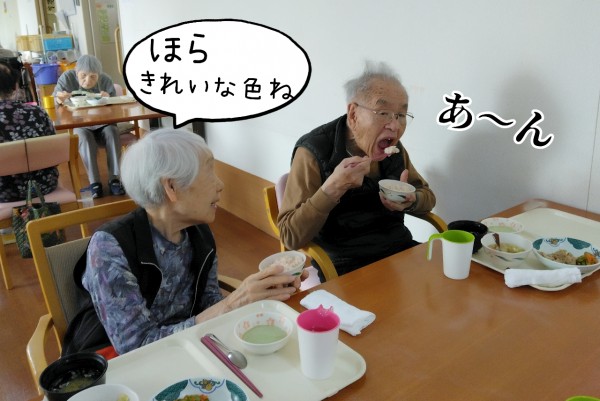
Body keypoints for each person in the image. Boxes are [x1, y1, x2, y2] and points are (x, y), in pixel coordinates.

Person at [62, 128, 304, 356]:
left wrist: (262, 293)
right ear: (171, 186)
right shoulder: (110, 248)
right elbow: (136, 347)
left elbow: (209, 304)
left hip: (186, 348)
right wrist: (233, 302)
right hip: (116, 365)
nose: (220, 185)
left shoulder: (198, 233)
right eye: (209, 172)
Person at [278, 61, 436, 279]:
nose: (395, 126)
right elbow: (290, 237)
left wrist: (412, 200)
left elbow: (427, 197)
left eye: (401, 115)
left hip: (398, 249)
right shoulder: (313, 151)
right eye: (383, 112)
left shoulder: (395, 151)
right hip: (344, 264)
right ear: (353, 114)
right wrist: (332, 189)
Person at [53, 54, 125, 198]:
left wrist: (108, 99)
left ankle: (115, 179)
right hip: (80, 123)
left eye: (93, 77)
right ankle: (95, 183)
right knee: (84, 137)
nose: (87, 81)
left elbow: (115, 106)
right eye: (83, 76)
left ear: (99, 75)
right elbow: (56, 100)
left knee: (112, 132)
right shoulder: (67, 78)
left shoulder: (105, 80)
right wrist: (60, 98)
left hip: (104, 122)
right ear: (76, 72)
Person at [0, 61, 58, 202]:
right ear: (15, 86)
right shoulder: (38, 112)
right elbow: (54, 151)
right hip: (44, 185)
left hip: (4, 192)